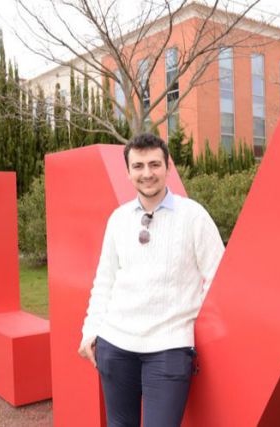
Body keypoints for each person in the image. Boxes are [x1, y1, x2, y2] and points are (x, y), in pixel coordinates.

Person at [77, 133, 225, 427]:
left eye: (154, 164)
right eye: (139, 166)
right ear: (128, 172)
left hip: (168, 349)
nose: (147, 173)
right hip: (116, 347)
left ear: (168, 166)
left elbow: (218, 279)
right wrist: (91, 329)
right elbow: (104, 281)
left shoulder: (193, 216)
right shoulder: (118, 219)